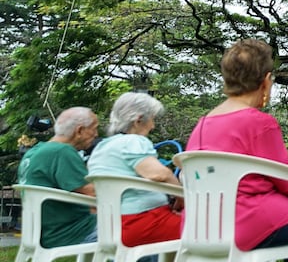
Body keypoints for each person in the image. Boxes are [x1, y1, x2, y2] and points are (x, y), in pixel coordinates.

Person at [187, 39, 288, 261]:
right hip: (250, 222)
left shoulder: (202, 124)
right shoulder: (259, 122)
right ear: (265, 80)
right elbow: (287, 180)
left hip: (203, 225)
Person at [87, 92, 183, 248]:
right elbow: (160, 174)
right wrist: (182, 198)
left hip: (109, 226)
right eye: (152, 119)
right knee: (208, 231)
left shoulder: (102, 147)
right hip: (141, 222)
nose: (153, 126)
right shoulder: (134, 141)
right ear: (139, 120)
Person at [17, 107, 99, 248]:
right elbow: (95, 194)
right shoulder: (62, 151)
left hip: (40, 233)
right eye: (94, 128)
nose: (96, 134)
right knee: (141, 232)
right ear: (79, 130)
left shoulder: (34, 151)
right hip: (70, 233)